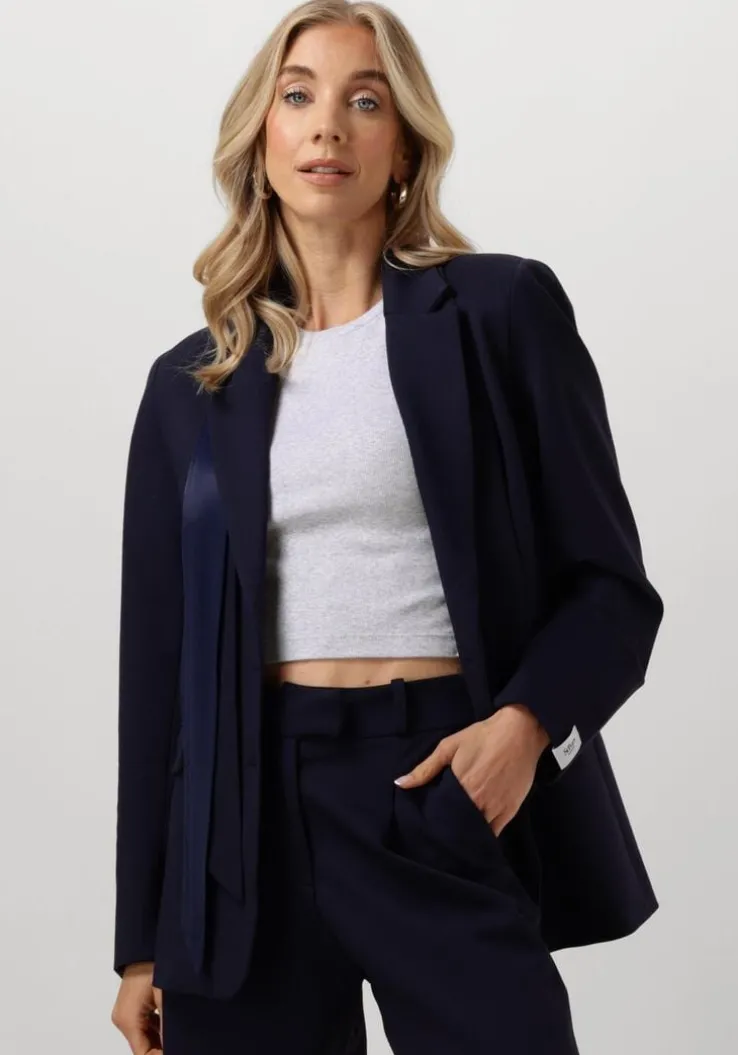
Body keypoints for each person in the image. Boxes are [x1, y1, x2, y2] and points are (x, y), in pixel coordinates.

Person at [110, 2, 665, 1052]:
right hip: (243, 825)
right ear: (261, 139)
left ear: (404, 147)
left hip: (434, 782)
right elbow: (159, 675)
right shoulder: (190, 385)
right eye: (298, 96)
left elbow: (612, 590)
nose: (328, 124)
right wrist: (142, 938)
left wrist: (522, 730)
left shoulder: (502, 312)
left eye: (365, 101)